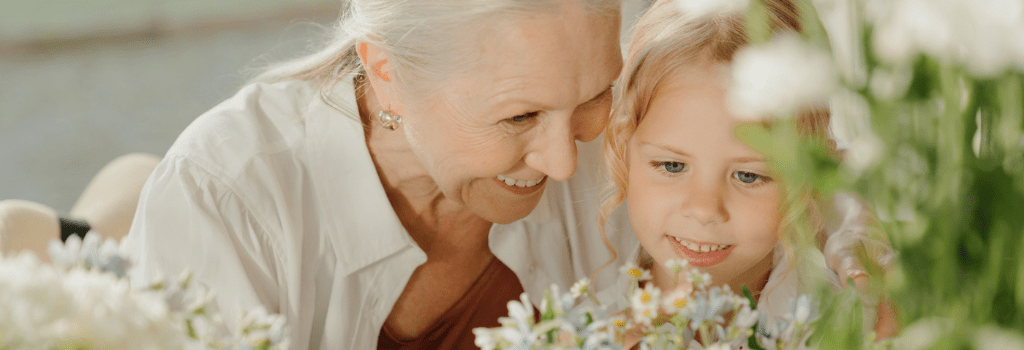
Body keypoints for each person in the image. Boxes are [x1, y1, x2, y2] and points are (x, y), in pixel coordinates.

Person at [123, 0, 889, 348]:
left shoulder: (626, 124)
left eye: (593, 98)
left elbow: (802, 161)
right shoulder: (225, 196)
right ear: (386, 75)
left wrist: (873, 241)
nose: (568, 163)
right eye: (519, 119)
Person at [599, 0, 894, 346]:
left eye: (748, 176)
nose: (705, 208)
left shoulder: (841, 326)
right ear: (623, 148)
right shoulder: (583, 322)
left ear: (807, 174)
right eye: (672, 166)